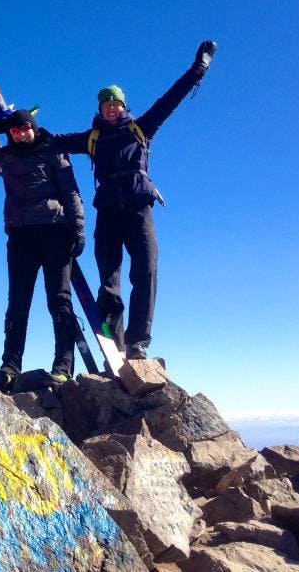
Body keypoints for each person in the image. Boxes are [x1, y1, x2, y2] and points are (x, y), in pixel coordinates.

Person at [51, 40, 217, 360]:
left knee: (146, 270)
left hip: (139, 207)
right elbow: (54, 142)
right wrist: (21, 128)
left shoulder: (141, 128)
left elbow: (171, 99)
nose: (110, 108)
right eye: (105, 104)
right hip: (109, 210)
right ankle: (115, 331)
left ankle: (139, 340)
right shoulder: (92, 139)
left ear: (123, 106)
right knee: (108, 273)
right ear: (99, 109)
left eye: (115, 103)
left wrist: (198, 69)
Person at [0, 109, 85, 390]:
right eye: (15, 130)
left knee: (59, 300)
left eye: (25, 128)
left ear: (33, 128)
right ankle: (10, 366)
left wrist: (78, 228)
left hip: (55, 232)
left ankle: (63, 366)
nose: (20, 134)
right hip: (20, 237)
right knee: (18, 303)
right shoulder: (5, 157)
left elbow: (71, 191)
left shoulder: (52, 152)